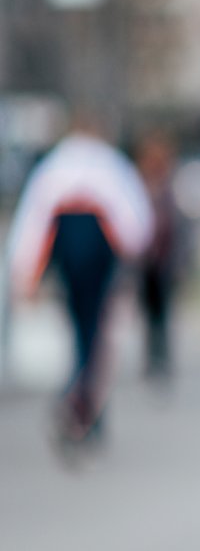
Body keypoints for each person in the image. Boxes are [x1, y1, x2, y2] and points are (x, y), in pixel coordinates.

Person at [6, 116, 153, 456]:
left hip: (69, 254)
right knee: (94, 329)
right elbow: (133, 218)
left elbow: (33, 221)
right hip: (98, 253)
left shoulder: (55, 165)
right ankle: (83, 400)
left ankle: (80, 395)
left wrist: (26, 273)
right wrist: (132, 256)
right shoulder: (109, 163)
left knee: (79, 326)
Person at [134, 130, 195, 383]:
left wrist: (184, 261)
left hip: (165, 260)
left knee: (164, 313)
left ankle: (163, 358)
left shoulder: (173, 189)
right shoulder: (141, 189)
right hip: (146, 263)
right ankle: (152, 359)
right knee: (149, 314)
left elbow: (184, 228)